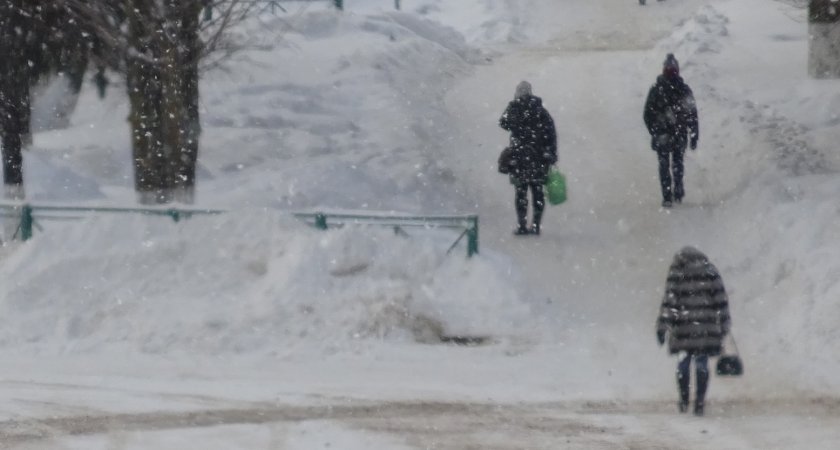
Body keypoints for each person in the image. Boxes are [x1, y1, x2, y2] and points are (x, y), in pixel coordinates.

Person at [656, 246, 731, 416]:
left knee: (683, 364)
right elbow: (721, 300)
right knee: (701, 364)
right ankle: (699, 402)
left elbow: (669, 302)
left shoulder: (677, 271)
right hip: (705, 328)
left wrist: (662, 327)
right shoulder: (710, 270)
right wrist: (724, 323)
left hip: (683, 328)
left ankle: (683, 401)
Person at [499, 81, 557, 235]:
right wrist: (551, 153)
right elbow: (551, 132)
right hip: (539, 158)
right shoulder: (541, 110)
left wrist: (514, 111)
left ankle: (522, 225)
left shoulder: (514, 108)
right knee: (537, 192)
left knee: (521, 193)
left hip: (519, 159)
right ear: (531, 93)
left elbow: (503, 123)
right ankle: (536, 225)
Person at [643, 54, 698, 208]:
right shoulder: (683, 89)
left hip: (662, 135)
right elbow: (692, 114)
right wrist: (693, 135)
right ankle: (678, 190)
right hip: (678, 133)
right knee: (677, 163)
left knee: (664, 165)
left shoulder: (656, 90)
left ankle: (667, 195)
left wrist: (655, 130)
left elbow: (647, 114)